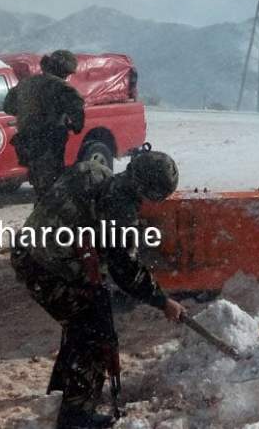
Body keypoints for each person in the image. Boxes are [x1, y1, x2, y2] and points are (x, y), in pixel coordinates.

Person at [11, 151, 187, 429]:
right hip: (45, 269)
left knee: (82, 320)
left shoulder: (92, 170)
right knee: (94, 333)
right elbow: (125, 271)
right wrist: (163, 301)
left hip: (32, 250)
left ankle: (61, 391)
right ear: (147, 191)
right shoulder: (121, 210)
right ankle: (76, 416)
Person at [4, 50, 85, 198]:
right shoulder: (61, 87)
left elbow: (8, 106)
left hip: (27, 144)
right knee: (52, 190)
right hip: (49, 144)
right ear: (63, 70)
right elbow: (77, 111)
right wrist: (73, 125)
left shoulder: (26, 83)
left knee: (40, 186)